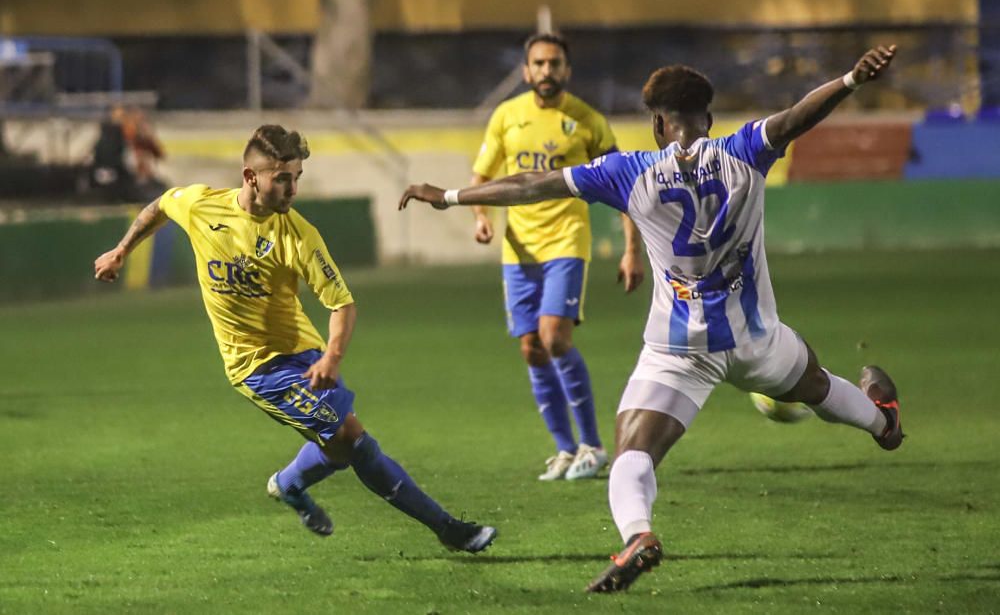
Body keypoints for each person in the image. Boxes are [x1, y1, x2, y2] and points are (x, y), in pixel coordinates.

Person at [400, 45, 902, 591]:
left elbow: (530, 185)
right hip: (758, 338)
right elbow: (797, 116)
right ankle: (885, 424)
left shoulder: (628, 172)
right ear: (706, 118)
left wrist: (448, 195)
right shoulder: (744, 152)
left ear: (658, 123)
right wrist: (852, 78)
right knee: (817, 384)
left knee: (632, 452)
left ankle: (638, 535)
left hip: (679, 346)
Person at [94, 124, 496, 553]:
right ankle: (449, 530)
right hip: (256, 367)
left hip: (307, 356)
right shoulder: (202, 205)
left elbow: (342, 304)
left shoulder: (298, 234)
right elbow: (160, 204)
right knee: (355, 442)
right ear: (251, 177)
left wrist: (332, 359)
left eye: (297, 178)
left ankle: (288, 484)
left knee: (342, 449)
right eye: (282, 179)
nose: (293, 189)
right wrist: (122, 249)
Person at [471, 32, 645, 481]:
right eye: (539, 64)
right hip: (518, 248)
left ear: (566, 70)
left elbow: (624, 186)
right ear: (526, 70)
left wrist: (631, 250)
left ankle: (593, 445)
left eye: (554, 64)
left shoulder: (587, 120)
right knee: (531, 348)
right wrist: (481, 216)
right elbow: (483, 175)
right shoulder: (507, 117)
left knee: (554, 338)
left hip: (567, 240)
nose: (546, 71)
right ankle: (566, 450)